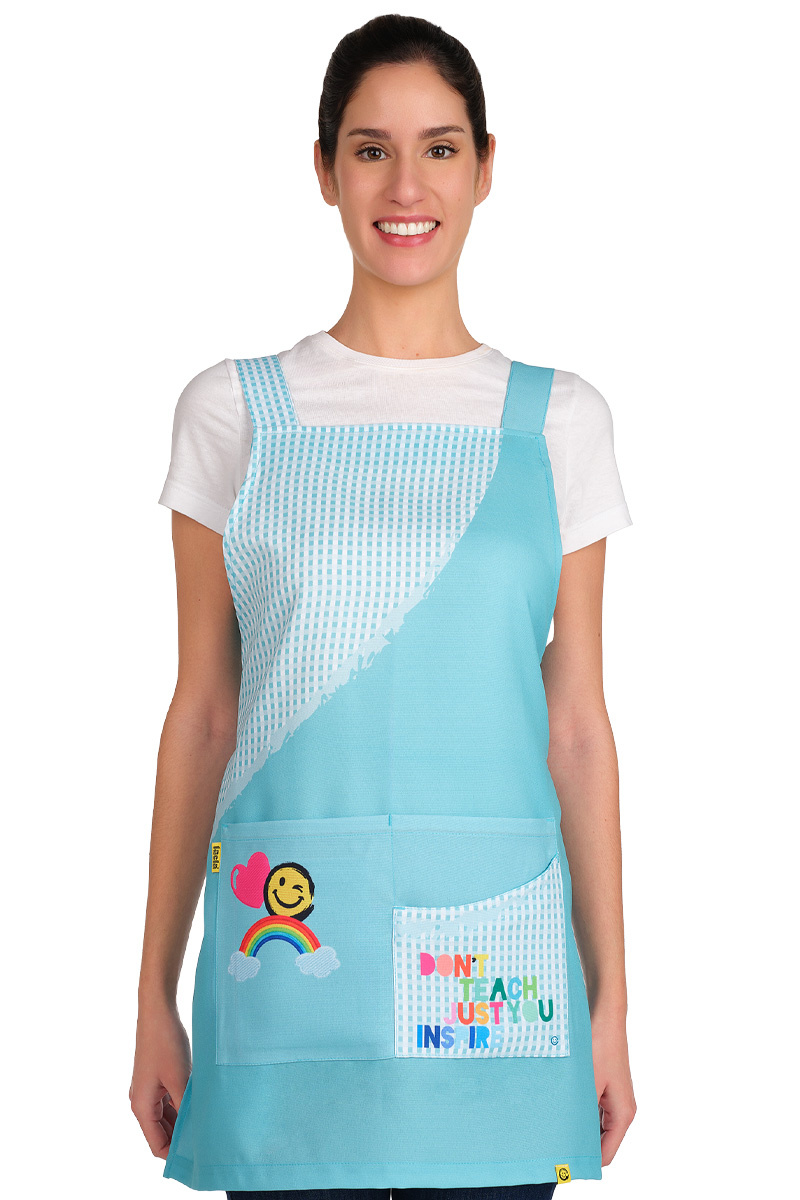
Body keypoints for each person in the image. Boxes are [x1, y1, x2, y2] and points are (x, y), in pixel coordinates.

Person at [130, 13, 637, 1200]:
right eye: (370, 150)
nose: (406, 186)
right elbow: (203, 713)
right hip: (289, 952)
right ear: (323, 170)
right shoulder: (232, 412)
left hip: (495, 967)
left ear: (484, 167)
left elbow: (575, 726)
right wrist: (151, 993)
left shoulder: (558, 420)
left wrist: (611, 1001)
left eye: (439, 149)